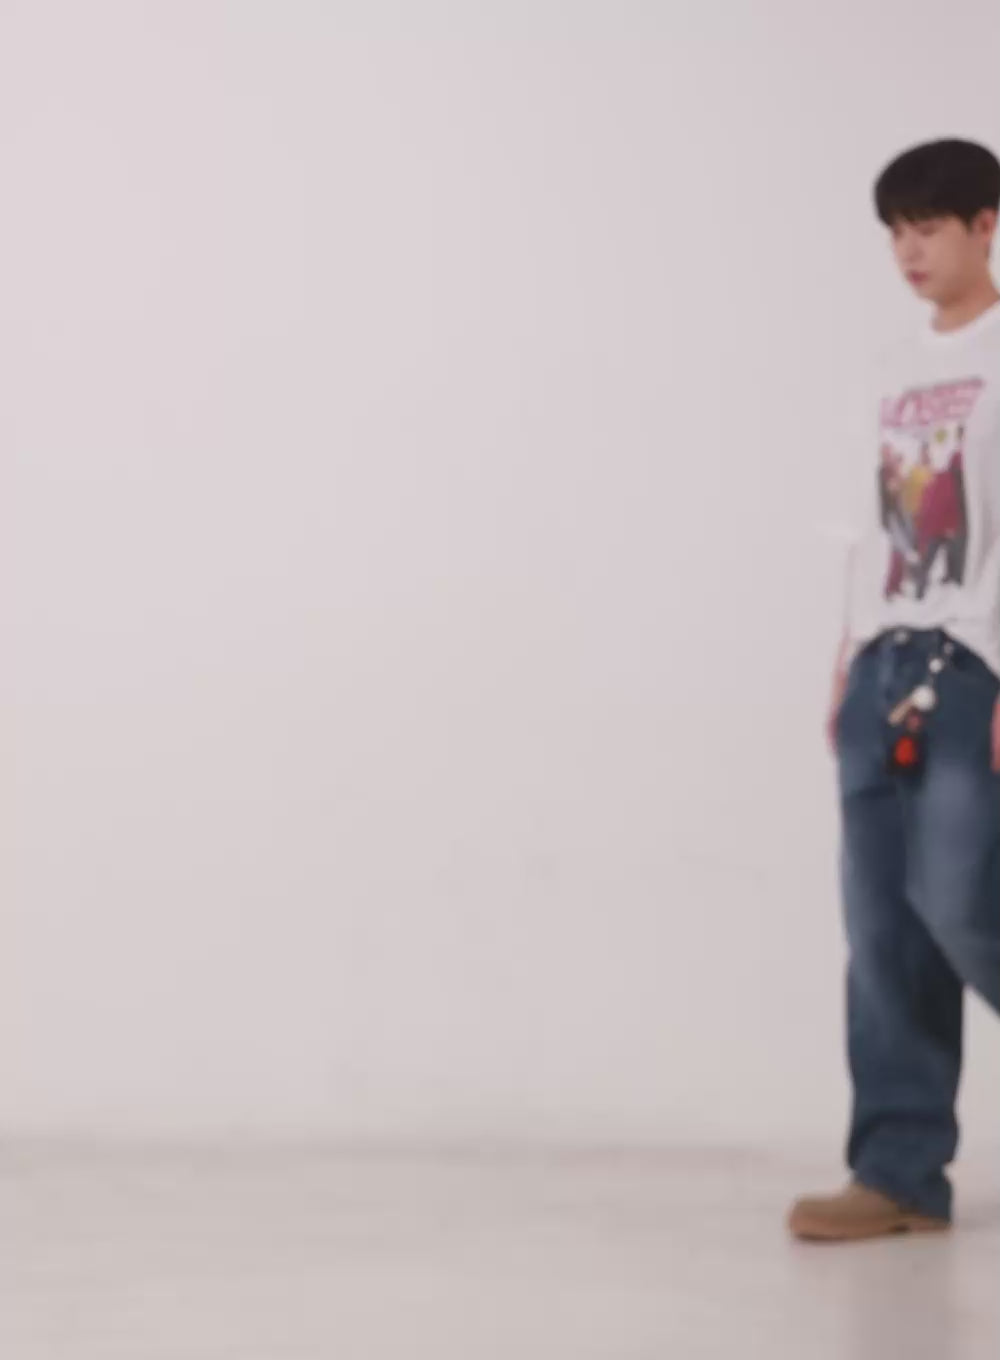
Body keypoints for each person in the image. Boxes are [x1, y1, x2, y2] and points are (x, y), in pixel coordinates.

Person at [790, 139, 1000, 1242]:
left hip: (973, 666)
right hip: (882, 663)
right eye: (895, 233)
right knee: (883, 931)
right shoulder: (888, 367)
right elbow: (870, 518)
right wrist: (848, 650)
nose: (909, 250)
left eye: (928, 227)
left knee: (964, 905)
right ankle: (900, 1175)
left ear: (985, 225)